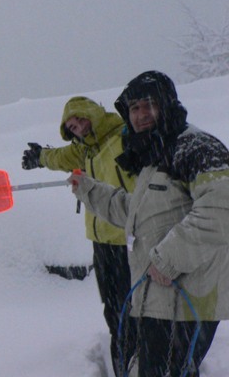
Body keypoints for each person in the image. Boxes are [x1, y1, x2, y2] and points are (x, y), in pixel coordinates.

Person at [69, 71, 229, 376]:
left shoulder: (196, 147)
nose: (141, 115)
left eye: (148, 105)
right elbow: (138, 216)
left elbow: (221, 210)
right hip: (158, 299)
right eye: (134, 109)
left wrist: (168, 259)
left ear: (167, 104)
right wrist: (88, 189)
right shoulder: (157, 155)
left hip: (187, 300)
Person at [22, 96, 136, 376]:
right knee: (114, 311)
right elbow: (60, 157)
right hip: (101, 242)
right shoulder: (85, 149)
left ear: (93, 113)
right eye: (72, 127)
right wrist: (40, 157)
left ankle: (140, 361)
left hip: (129, 241)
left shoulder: (124, 137)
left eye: (81, 120)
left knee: (134, 311)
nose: (79, 128)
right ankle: (123, 364)